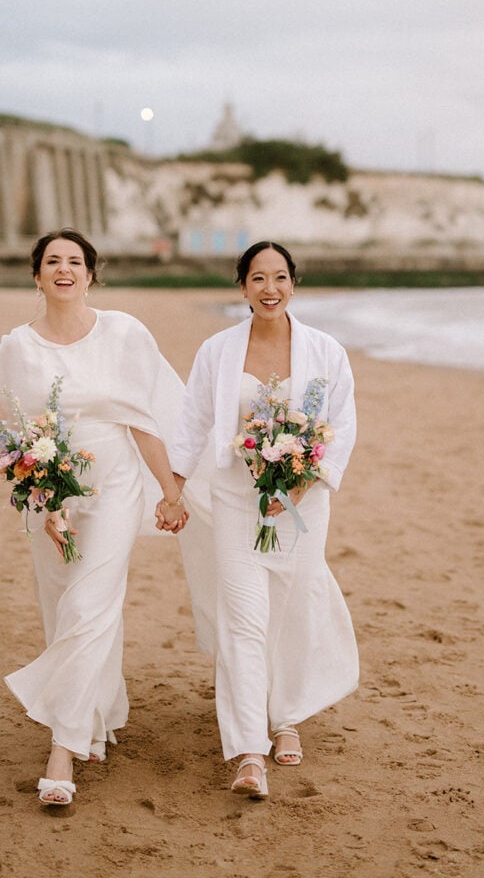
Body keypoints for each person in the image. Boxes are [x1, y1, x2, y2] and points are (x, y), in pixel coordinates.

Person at [0, 228, 189, 807]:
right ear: (36, 275)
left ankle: (63, 748)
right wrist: (47, 502)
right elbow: (20, 437)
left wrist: (169, 491)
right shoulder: (15, 349)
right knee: (64, 607)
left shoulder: (124, 333)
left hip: (117, 485)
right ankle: (96, 718)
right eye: (52, 261)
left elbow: (143, 419)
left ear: (92, 274)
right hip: (51, 492)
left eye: (75, 261)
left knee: (91, 604)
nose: (64, 269)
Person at [169, 240, 359, 800]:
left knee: (293, 606)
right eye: (258, 278)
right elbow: (194, 421)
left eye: (279, 277)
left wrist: (300, 483)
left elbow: (340, 427)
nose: (269, 288)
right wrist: (173, 488)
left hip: (303, 506)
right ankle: (250, 751)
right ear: (243, 286)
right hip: (233, 499)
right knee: (243, 617)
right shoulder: (218, 350)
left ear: (293, 284)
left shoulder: (326, 352)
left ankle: (287, 715)